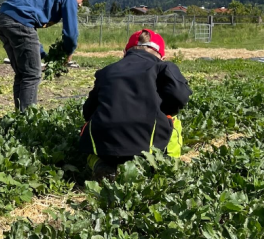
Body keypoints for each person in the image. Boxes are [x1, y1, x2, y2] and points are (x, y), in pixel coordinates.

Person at [79, 29, 191, 178]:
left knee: (89, 138)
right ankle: (167, 165)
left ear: (125, 52)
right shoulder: (163, 67)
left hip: (106, 143)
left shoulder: (106, 71)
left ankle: (100, 164)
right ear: (161, 56)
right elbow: (180, 97)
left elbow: (88, 112)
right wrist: (161, 109)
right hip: (145, 144)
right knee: (173, 120)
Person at [0, 0, 100, 110]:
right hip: (19, 21)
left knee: (23, 73)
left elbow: (29, 31)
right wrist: (68, 52)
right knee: (32, 75)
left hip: (3, 19)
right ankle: (27, 122)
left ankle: (18, 118)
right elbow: (70, 34)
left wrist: (44, 55)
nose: (80, 4)